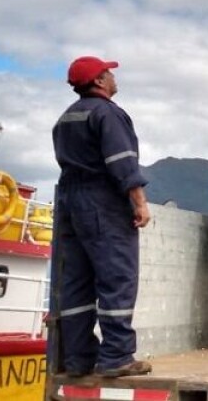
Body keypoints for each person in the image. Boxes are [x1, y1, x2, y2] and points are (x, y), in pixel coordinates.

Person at [51, 56, 152, 378]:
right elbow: (122, 161)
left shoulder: (65, 119)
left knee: (77, 283)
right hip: (102, 202)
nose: (113, 77)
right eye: (108, 73)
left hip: (69, 202)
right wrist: (139, 202)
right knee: (116, 278)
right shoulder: (108, 114)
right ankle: (117, 357)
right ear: (98, 81)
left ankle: (78, 360)